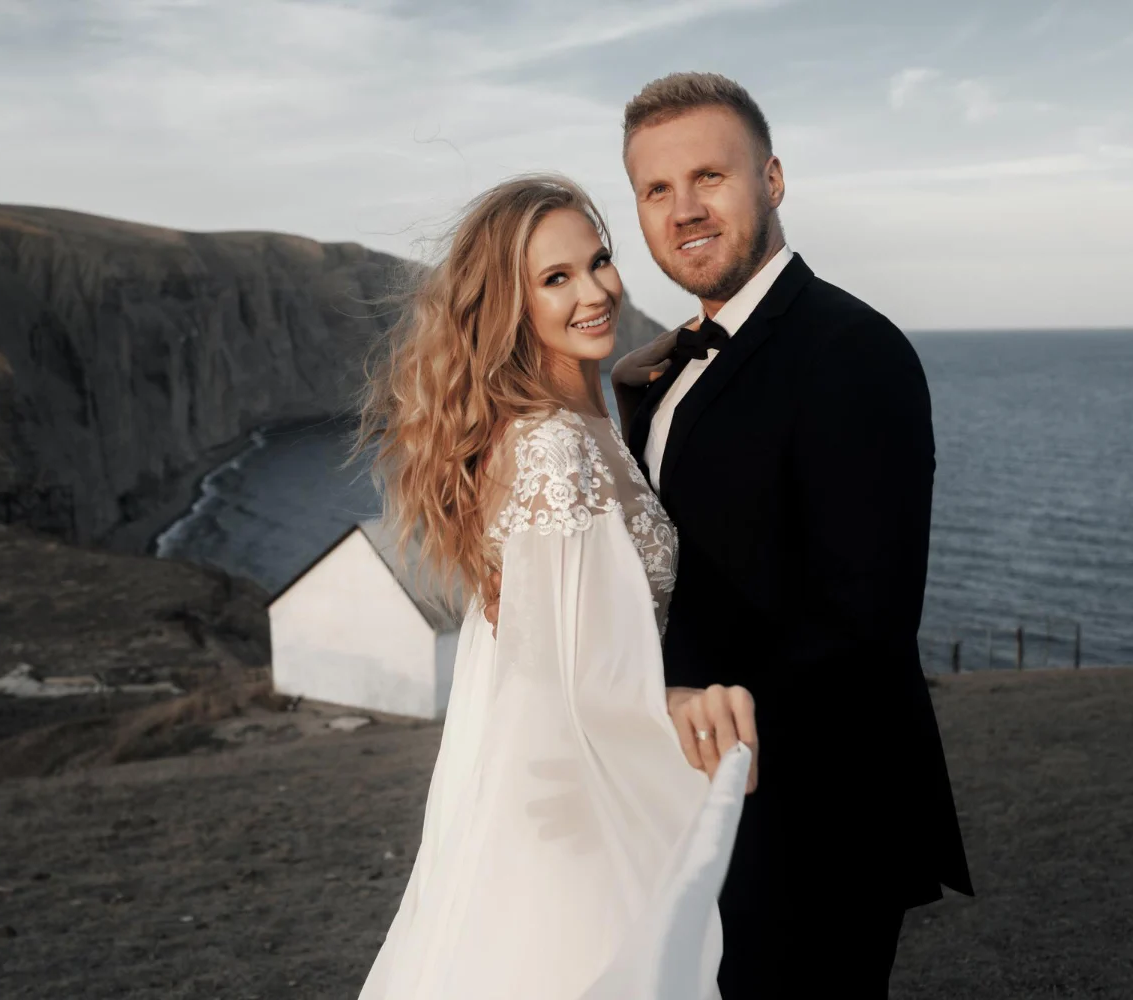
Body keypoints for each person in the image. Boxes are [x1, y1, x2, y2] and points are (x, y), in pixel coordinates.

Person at [587, 72, 979, 998]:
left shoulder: (854, 351)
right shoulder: (657, 368)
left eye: (709, 178)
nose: (684, 210)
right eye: (655, 190)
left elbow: (865, 618)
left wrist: (690, 708)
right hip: (697, 803)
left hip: (817, 815)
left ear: (772, 179)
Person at [353, 175, 757, 999]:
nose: (595, 290)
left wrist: (635, 388)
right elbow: (557, 675)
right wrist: (674, 700)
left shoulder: (585, 416)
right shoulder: (547, 448)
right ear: (509, 307)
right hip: (571, 812)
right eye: (556, 279)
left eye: (599, 261)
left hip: (569, 791)